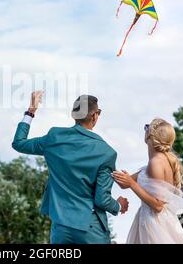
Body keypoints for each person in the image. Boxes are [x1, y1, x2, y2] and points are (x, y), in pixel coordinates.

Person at [12, 91, 128, 244]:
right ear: (95, 116)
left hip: (60, 229)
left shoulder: (54, 138)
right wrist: (120, 205)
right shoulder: (106, 153)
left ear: (74, 115)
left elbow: (19, 143)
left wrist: (31, 111)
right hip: (90, 229)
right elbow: (102, 200)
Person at [112, 118, 183, 244]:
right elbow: (123, 183)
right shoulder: (153, 163)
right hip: (149, 220)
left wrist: (132, 184)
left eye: (146, 127)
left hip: (155, 225)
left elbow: (158, 205)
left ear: (150, 135)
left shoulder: (156, 163)